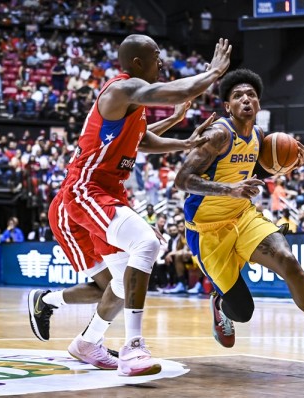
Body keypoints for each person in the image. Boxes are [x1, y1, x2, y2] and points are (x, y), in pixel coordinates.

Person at [27, 34, 231, 376]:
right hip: (85, 190)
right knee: (147, 243)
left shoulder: (132, 109)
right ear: (137, 63)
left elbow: (142, 140)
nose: (162, 62)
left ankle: (88, 343)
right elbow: (178, 91)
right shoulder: (120, 90)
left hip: (108, 192)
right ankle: (133, 347)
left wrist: (185, 141)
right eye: (156, 56)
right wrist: (213, 73)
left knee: (122, 282)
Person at [174, 69, 304, 369]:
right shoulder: (218, 135)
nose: (245, 99)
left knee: (288, 261)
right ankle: (220, 305)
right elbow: (182, 179)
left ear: (259, 104)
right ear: (227, 106)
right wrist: (229, 189)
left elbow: (253, 171)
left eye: (251, 94)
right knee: (243, 311)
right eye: (237, 95)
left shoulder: (258, 137)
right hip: (207, 231)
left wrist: (285, 164)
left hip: (243, 216)